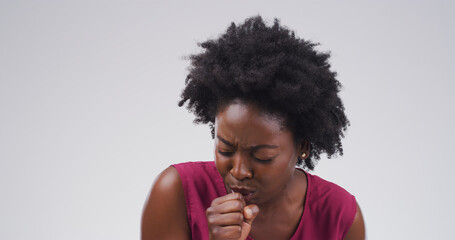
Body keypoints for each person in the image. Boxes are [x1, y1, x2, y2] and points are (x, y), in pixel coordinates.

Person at [141, 16, 366, 240]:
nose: (238, 171)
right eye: (225, 149)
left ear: (302, 147)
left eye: (262, 156)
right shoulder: (176, 194)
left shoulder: (340, 217)